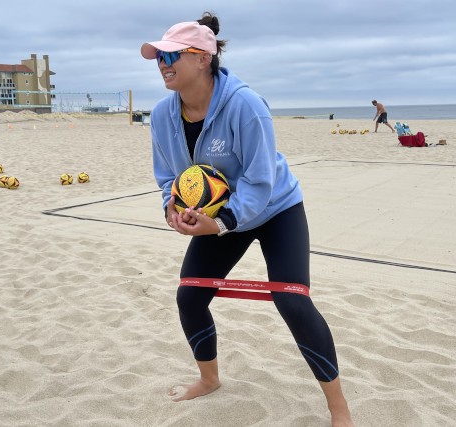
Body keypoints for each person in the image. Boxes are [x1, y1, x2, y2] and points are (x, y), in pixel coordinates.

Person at [141, 13, 354, 426]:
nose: (163, 64)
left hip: (276, 208)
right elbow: (168, 174)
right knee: (190, 295)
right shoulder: (162, 115)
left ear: (203, 58)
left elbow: (260, 180)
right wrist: (171, 206)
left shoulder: (246, 105)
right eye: (158, 57)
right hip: (221, 215)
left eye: (171, 55)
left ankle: (339, 409)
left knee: (291, 299)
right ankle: (209, 379)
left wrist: (221, 223)